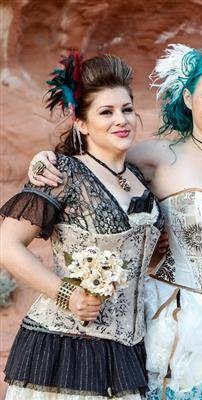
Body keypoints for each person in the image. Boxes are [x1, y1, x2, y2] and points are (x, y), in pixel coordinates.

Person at [27, 45, 202, 399]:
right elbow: (94, 161)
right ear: (187, 98)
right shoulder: (157, 156)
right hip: (179, 316)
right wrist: (45, 159)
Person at [0, 53, 163, 399]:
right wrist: (67, 294)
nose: (121, 120)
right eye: (106, 112)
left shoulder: (138, 177)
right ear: (82, 122)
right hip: (66, 351)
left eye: (127, 109)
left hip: (130, 351)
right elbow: (6, 244)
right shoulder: (63, 174)